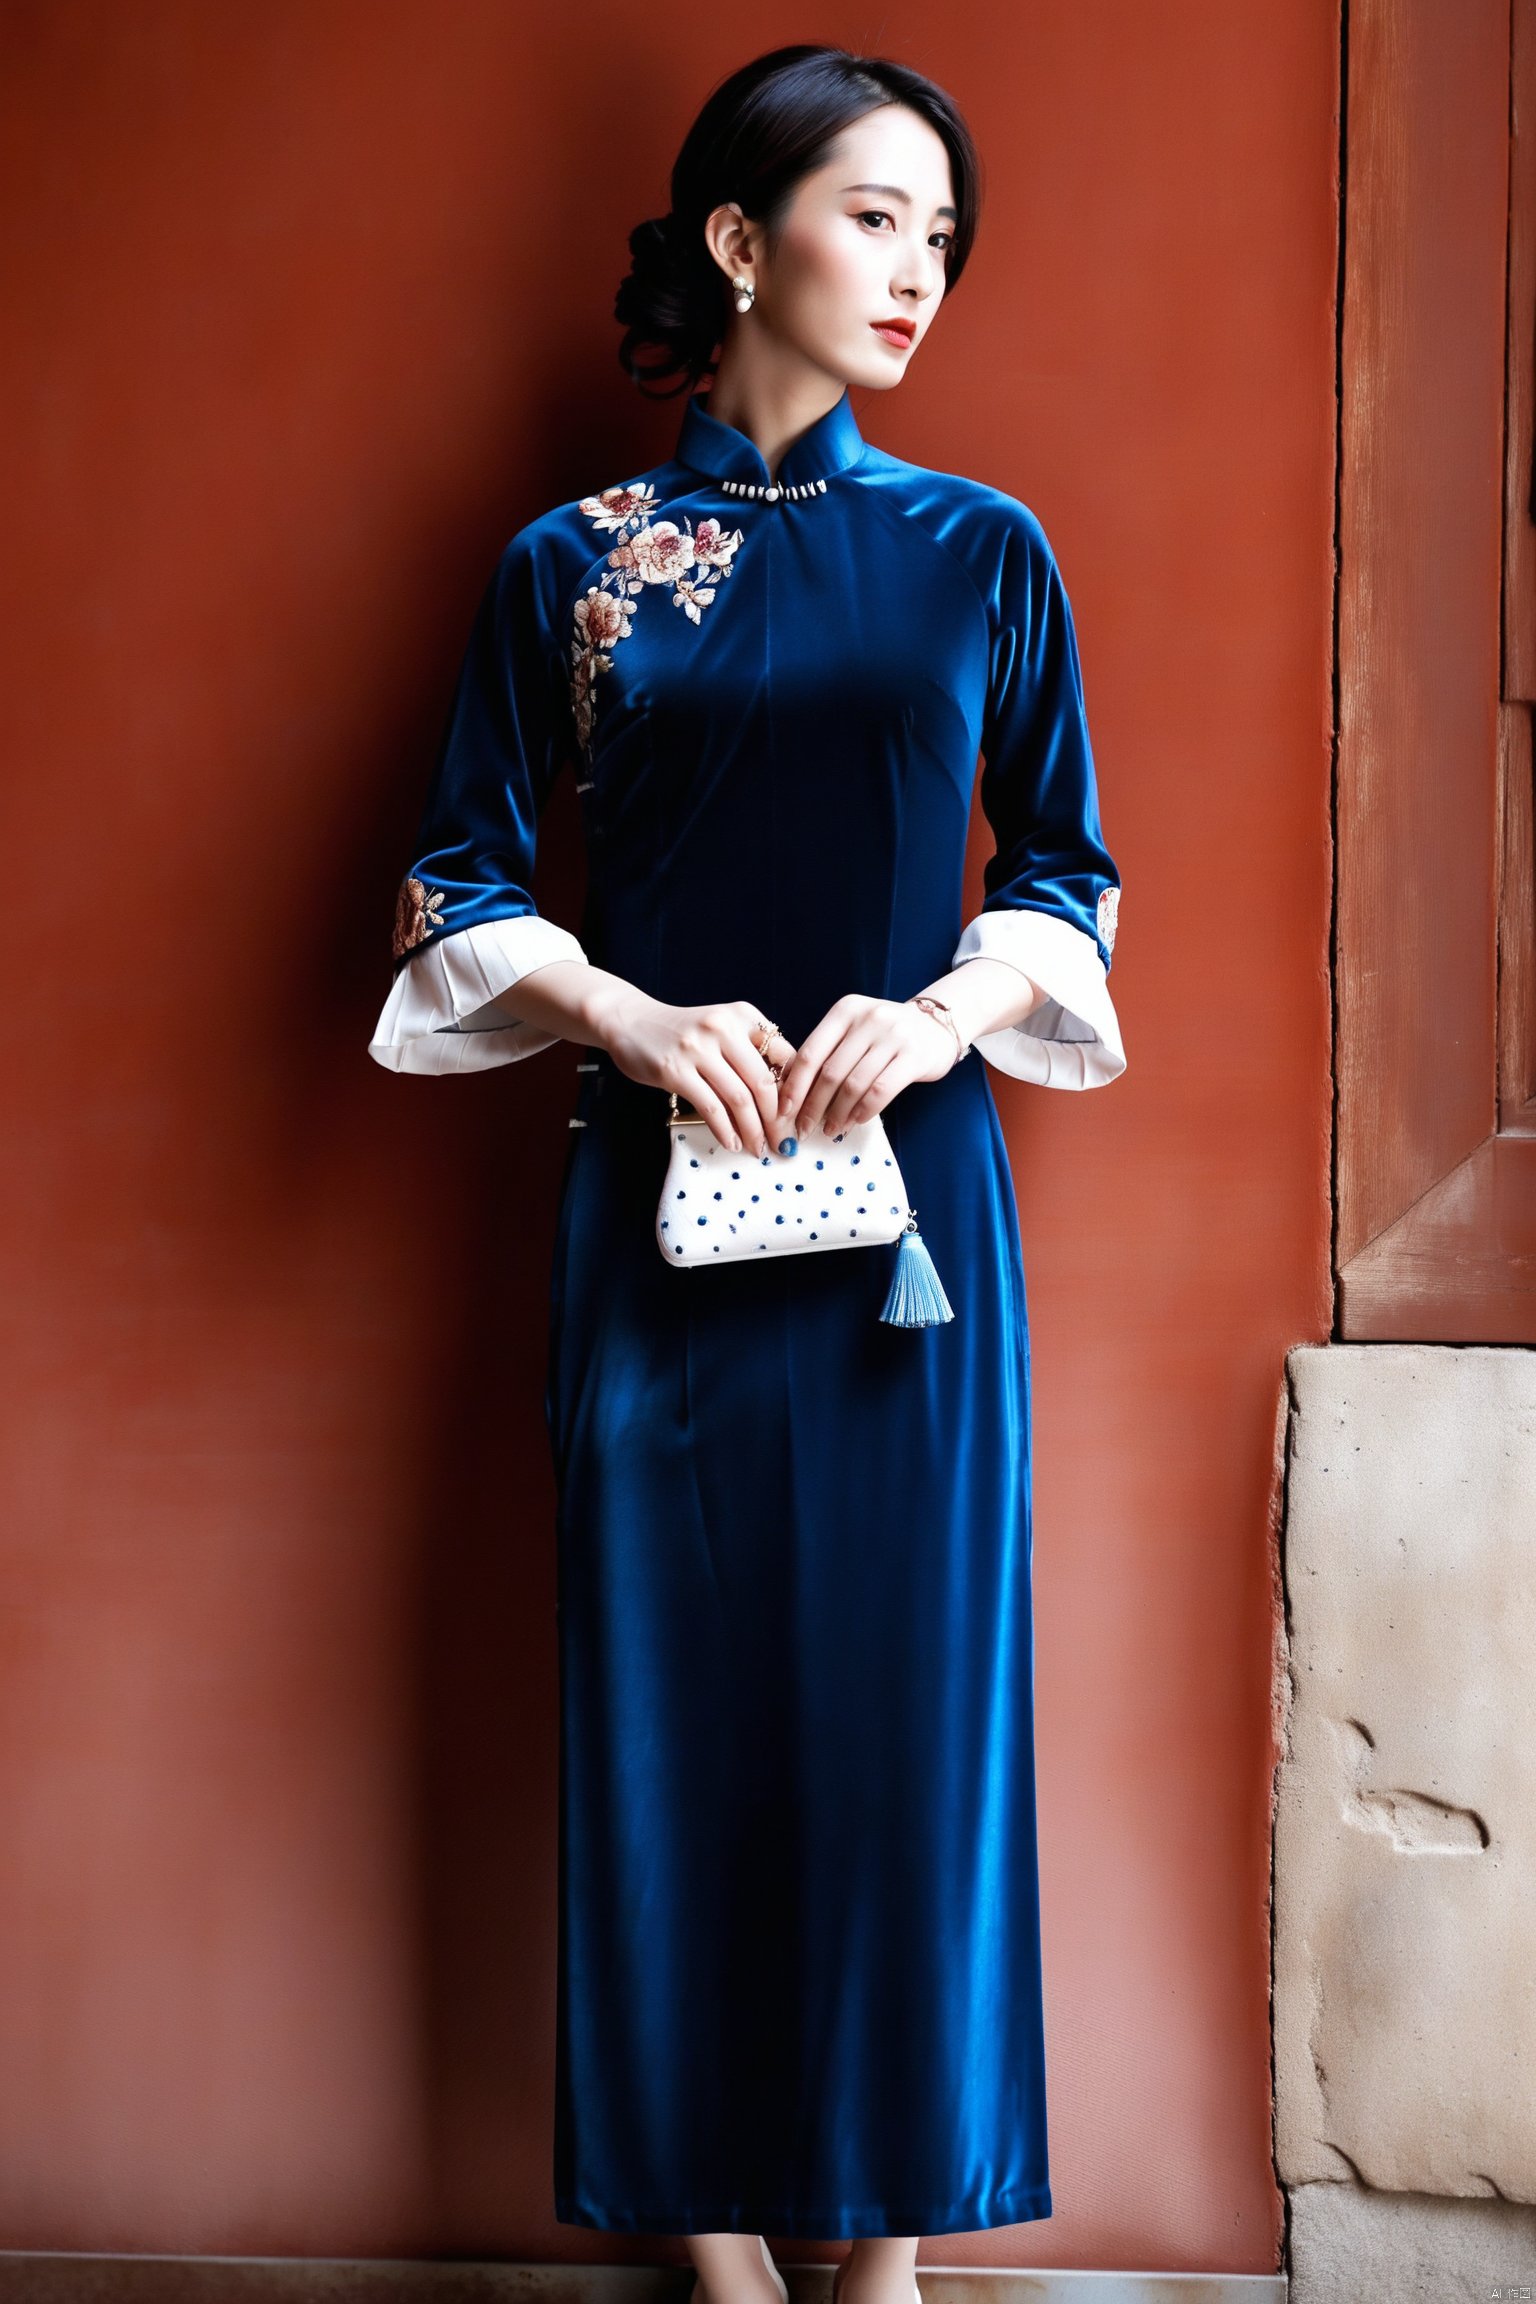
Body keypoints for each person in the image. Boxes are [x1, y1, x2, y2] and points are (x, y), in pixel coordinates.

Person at [369, 42, 1126, 2304]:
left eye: (942, 236)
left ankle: (875, 2263)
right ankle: (706, 2268)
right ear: (739, 241)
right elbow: (453, 881)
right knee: (665, 1719)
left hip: (913, 1238)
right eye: (878, 215)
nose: (920, 268)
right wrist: (633, 1014)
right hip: (659, 1229)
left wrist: (945, 1008)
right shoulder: (571, 570)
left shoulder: (986, 554)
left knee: (912, 1744)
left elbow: (1073, 871)